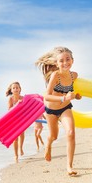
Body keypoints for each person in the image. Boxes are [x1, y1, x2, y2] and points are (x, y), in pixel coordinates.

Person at [35, 46, 82, 176]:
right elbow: (46, 95)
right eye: (61, 60)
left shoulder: (74, 75)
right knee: (54, 136)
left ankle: (69, 166)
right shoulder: (55, 75)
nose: (65, 62)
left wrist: (76, 96)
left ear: (72, 60)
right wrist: (63, 97)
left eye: (68, 59)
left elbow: (73, 91)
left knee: (71, 133)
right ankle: (48, 145)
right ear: (57, 63)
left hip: (65, 107)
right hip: (51, 109)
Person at [6, 81, 25, 163]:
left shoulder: (23, 98)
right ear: (11, 90)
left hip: (22, 119)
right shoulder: (11, 99)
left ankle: (21, 147)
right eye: (14, 88)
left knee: (22, 135)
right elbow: (9, 109)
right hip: (13, 120)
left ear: (20, 89)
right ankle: (16, 155)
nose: (16, 89)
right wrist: (17, 104)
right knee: (15, 138)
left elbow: (26, 109)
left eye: (17, 87)